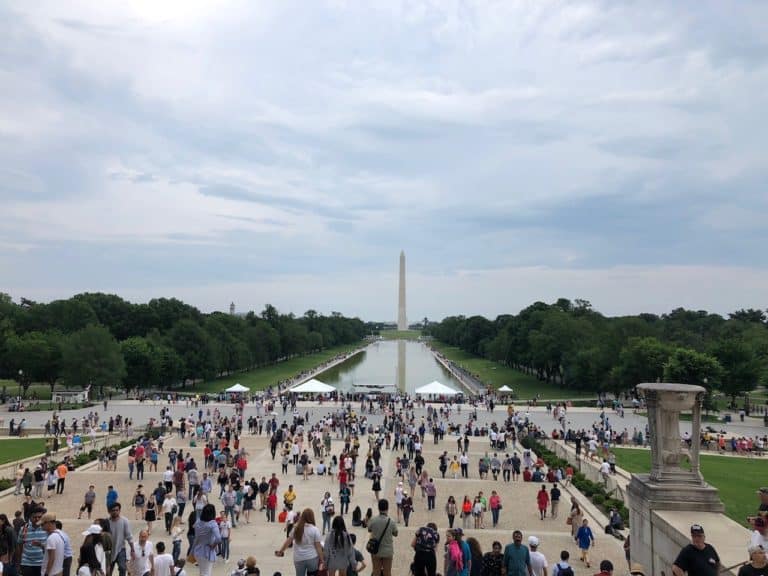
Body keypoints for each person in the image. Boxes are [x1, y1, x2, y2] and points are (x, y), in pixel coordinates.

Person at [274, 508, 325, 576]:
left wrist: (281, 551)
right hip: (312, 558)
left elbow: (288, 542)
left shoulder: (296, 528)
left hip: (299, 558)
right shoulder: (315, 530)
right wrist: (322, 560)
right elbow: (318, 547)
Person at [367, 499, 398, 576]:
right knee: (387, 572)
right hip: (388, 551)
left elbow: (369, 529)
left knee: (376, 571)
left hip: (375, 550)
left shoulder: (373, 520)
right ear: (387, 508)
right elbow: (396, 533)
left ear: (378, 508)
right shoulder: (391, 521)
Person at [191, 504, 221, 576]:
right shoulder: (212, 524)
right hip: (207, 551)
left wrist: (192, 550)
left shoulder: (198, 522)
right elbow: (219, 538)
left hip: (198, 550)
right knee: (207, 573)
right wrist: (213, 546)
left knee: (202, 572)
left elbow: (196, 537)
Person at [18, 506, 47, 576]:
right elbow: (20, 545)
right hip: (27, 563)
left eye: (39, 517)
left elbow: (50, 547)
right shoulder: (24, 529)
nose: (37, 519)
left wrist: (41, 545)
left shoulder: (46, 529)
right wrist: (19, 562)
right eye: (34, 517)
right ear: (30, 517)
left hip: (42, 563)